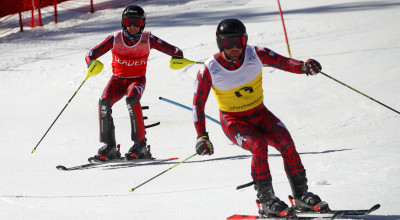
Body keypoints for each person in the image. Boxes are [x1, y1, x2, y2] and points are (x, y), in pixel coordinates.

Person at [192, 18, 328, 218]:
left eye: (239, 42)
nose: (235, 47)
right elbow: (197, 104)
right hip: (233, 122)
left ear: (245, 40)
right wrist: (201, 136)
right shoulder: (209, 69)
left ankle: (301, 195)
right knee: (258, 145)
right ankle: (266, 200)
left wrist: (304, 66)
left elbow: (284, 62)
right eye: (229, 43)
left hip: (260, 114)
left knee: (286, 142)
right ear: (220, 43)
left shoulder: (256, 54)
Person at [85, 5, 183, 161]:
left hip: (137, 80)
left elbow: (175, 50)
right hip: (117, 80)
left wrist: (177, 57)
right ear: (123, 22)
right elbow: (91, 54)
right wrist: (91, 63)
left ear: (142, 23)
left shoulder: (148, 38)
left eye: (136, 22)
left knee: (132, 99)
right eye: (128, 21)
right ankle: (109, 147)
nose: (132, 26)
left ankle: (140, 145)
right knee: (103, 102)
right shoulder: (115, 38)